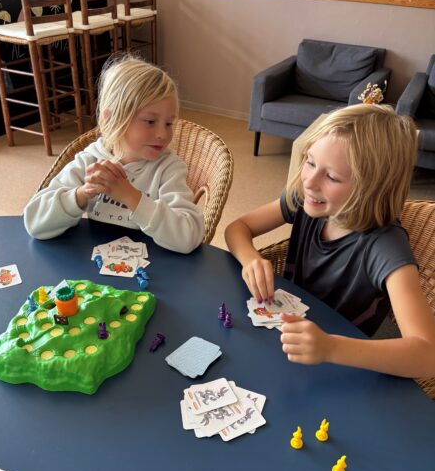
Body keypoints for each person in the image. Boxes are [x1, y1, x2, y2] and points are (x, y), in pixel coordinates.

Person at [225, 104, 435, 378]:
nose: (309, 181)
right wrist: (251, 259)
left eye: (332, 176)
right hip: (285, 338)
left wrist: (330, 348)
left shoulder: (385, 246)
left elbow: (427, 355)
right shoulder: (307, 198)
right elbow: (237, 228)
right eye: (310, 162)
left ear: (372, 188)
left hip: (342, 365)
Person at [24, 56, 204, 254]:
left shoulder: (169, 168)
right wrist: (81, 194)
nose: (163, 134)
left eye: (169, 123)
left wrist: (130, 196)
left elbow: (189, 237)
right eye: (150, 122)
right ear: (111, 119)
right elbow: (34, 223)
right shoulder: (89, 160)